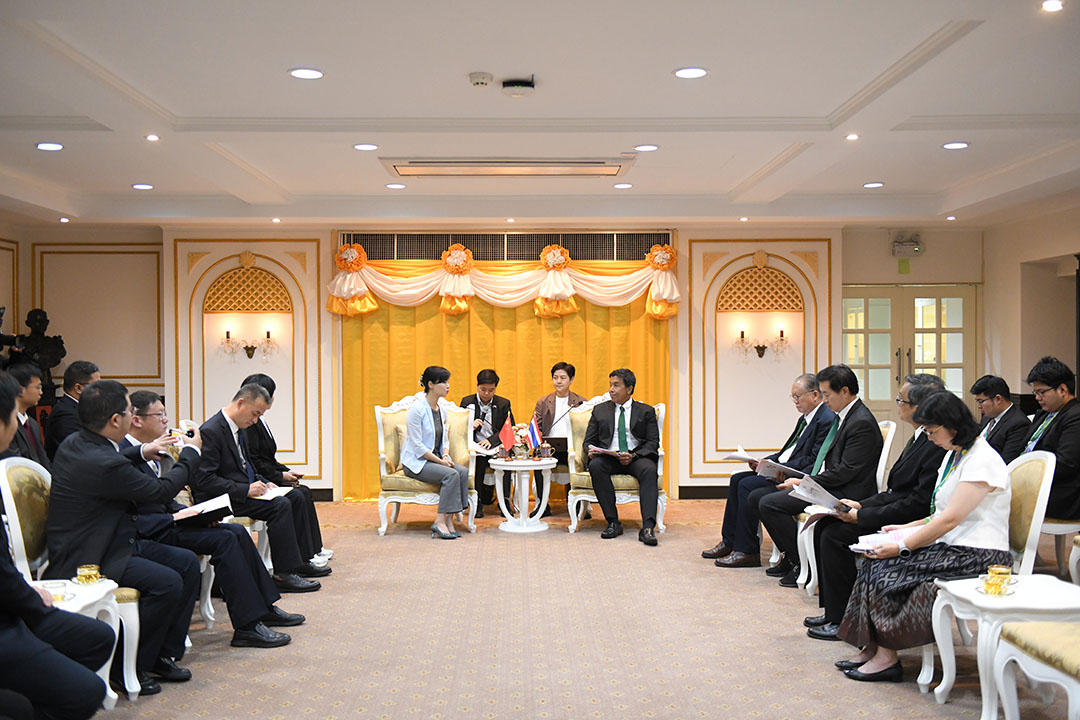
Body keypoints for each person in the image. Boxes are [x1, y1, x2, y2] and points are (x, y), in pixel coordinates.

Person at [836, 391, 1012, 683]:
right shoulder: (955, 455)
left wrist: (902, 546)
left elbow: (950, 519)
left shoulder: (982, 460)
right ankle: (873, 646)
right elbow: (938, 513)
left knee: (887, 569)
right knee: (872, 561)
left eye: (932, 431)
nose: (929, 438)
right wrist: (904, 528)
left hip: (979, 554)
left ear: (952, 426)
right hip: (951, 546)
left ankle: (887, 658)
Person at [44, 379, 203, 695]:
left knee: (186, 563)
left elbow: (115, 461)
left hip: (110, 539)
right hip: (91, 556)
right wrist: (190, 453)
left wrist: (142, 451)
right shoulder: (103, 461)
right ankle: (126, 665)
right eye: (130, 412)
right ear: (116, 420)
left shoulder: (78, 442)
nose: (134, 417)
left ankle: (162, 654)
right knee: (167, 582)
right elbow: (160, 491)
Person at [127, 391, 302, 649]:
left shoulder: (149, 448)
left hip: (168, 519)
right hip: (151, 530)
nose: (166, 420)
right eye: (159, 415)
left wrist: (190, 514)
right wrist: (177, 514)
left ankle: (264, 608)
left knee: (236, 533)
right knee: (225, 540)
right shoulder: (127, 453)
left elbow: (164, 497)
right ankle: (246, 627)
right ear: (136, 420)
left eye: (165, 414)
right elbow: (160, 495)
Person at [0, 371, 115, 720]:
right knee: (86, 692)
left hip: (15, 600)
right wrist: (32, 603)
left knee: (97, 637)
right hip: (8, 620)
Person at [804, 375, 947, 640]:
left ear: (921, 406)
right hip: (897, 508)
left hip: (911, 520)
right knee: (826, 525)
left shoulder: (935, 444)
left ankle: (843, 619)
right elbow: (896, 492)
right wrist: (861, 505)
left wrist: (862, 516)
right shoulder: (920, 436)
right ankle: (835, 611)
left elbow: (916, 503)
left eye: (901, 400)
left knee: (835, 535)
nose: (897, 403)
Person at [192, 384, 329, 592]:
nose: (255, 420)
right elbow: (204, 481)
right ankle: (284, 574)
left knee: (293, 496)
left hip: (238, 492)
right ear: (241, 403)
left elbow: (247, 465)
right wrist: (245, 489)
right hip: (221, 498)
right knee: (280, 506)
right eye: (255, 413)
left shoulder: (239, 429)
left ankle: (298, 561)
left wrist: (263, 481)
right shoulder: (212, 431)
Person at [757, 364, 882, 587]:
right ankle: (794, 559)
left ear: (844, 391)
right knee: (765, 499)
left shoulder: (861, 422)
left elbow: (846, 471)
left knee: (770, 504)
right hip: (832, 484)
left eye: (827, 394)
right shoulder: (844, 416)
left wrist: (805, 482)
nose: (824, 400)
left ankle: (799, 562)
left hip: (846, 491)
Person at [706, 373, 835, 568]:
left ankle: (747, 550)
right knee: (737, 479)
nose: (795, 401)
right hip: (785, 469)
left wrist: (785, 470)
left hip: (797, 476)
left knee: (747, 485)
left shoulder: (825, 419)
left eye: (798, 396)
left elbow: (813, 460)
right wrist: (765, 462)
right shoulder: (806, 418)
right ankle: (730, 541)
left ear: (815, 395)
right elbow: (788, 451)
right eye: (793, 397)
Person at [239, 374, 332, 566]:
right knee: (297, 495)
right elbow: (256, 462)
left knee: (303, 491)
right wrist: (279, 476)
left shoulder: (259, 421)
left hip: (265, 475)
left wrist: (285, 471)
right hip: (259, 480)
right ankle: (304, 555)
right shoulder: (248, 425)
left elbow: (269, 458)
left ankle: (314, 548)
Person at [583, 368, 661, 546]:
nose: (611, 389)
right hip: (609, 457)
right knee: (596, 466)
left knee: (649, 470)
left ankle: (648, 528)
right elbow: (588, 441)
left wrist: (633, 455)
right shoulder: (600, 410)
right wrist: (590, 450)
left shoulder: (646, 411)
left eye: (616, 385)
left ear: (629, 389)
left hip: (636, 457)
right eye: (610, 385)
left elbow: (652, 442)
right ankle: (613, 522)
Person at [401, 366, 470, 539]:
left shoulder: (442, 410)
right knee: (451, 474)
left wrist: (445, 455)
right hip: (417, 462)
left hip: (436, 459)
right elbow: (417, 446)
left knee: (462, 472)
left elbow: (445, 439)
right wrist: (441, 462)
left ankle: (449, 520)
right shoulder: (417, 410)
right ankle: (440, 521)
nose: (448, 386)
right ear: (431, 384)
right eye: (444, 382)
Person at [1022, 356, 1080, 519]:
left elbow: (1066, 464)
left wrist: (1025, 475)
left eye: (1041, 392)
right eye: (1035, 393)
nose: (1037, 398)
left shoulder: (1075, 416)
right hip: (1030, 482)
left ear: (1062, 390)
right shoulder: (1045, 414)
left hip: (1057, 493)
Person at [532, 361, 586, 517]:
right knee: (537, 458)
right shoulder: (543, 402)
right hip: (548, 448)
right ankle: (542, 506)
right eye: (555, 378)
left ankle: (577, 505)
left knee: (577, 459)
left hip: (573, 448)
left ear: (571, 379)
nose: (558, 381)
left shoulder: (581, 402)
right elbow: (537, 427)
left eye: (563, 378)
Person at [459, 368, 514, 518]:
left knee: (506, 461)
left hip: (496, 446)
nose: (487, 393)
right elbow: (458, 428)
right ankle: (477, 503)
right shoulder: (467, 402)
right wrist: (471, 426)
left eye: (491, 390)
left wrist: (491, 441)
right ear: (477, 386)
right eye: (483, 389)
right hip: (475, 446)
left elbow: (509, 428)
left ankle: (505, 502)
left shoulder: (503, 403)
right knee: (478, 462)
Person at [970, 375, 1031, 464]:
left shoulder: (1019, 424)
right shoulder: (988, 416)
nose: (979, 406)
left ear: (998, 399)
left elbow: (1006, 462)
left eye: (980, 401)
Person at [44, 360, 99, 460]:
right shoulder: (65, 414)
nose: (100, 392)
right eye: (96, 386)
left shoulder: (79, 408)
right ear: (78, 388)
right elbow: (78, 452)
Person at [5, 363, 50, 469]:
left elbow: (44, 461)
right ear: (20, 390)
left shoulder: (32, 424)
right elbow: (15, 465)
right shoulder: (5, 424)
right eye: (38, 387)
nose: (41, 392)